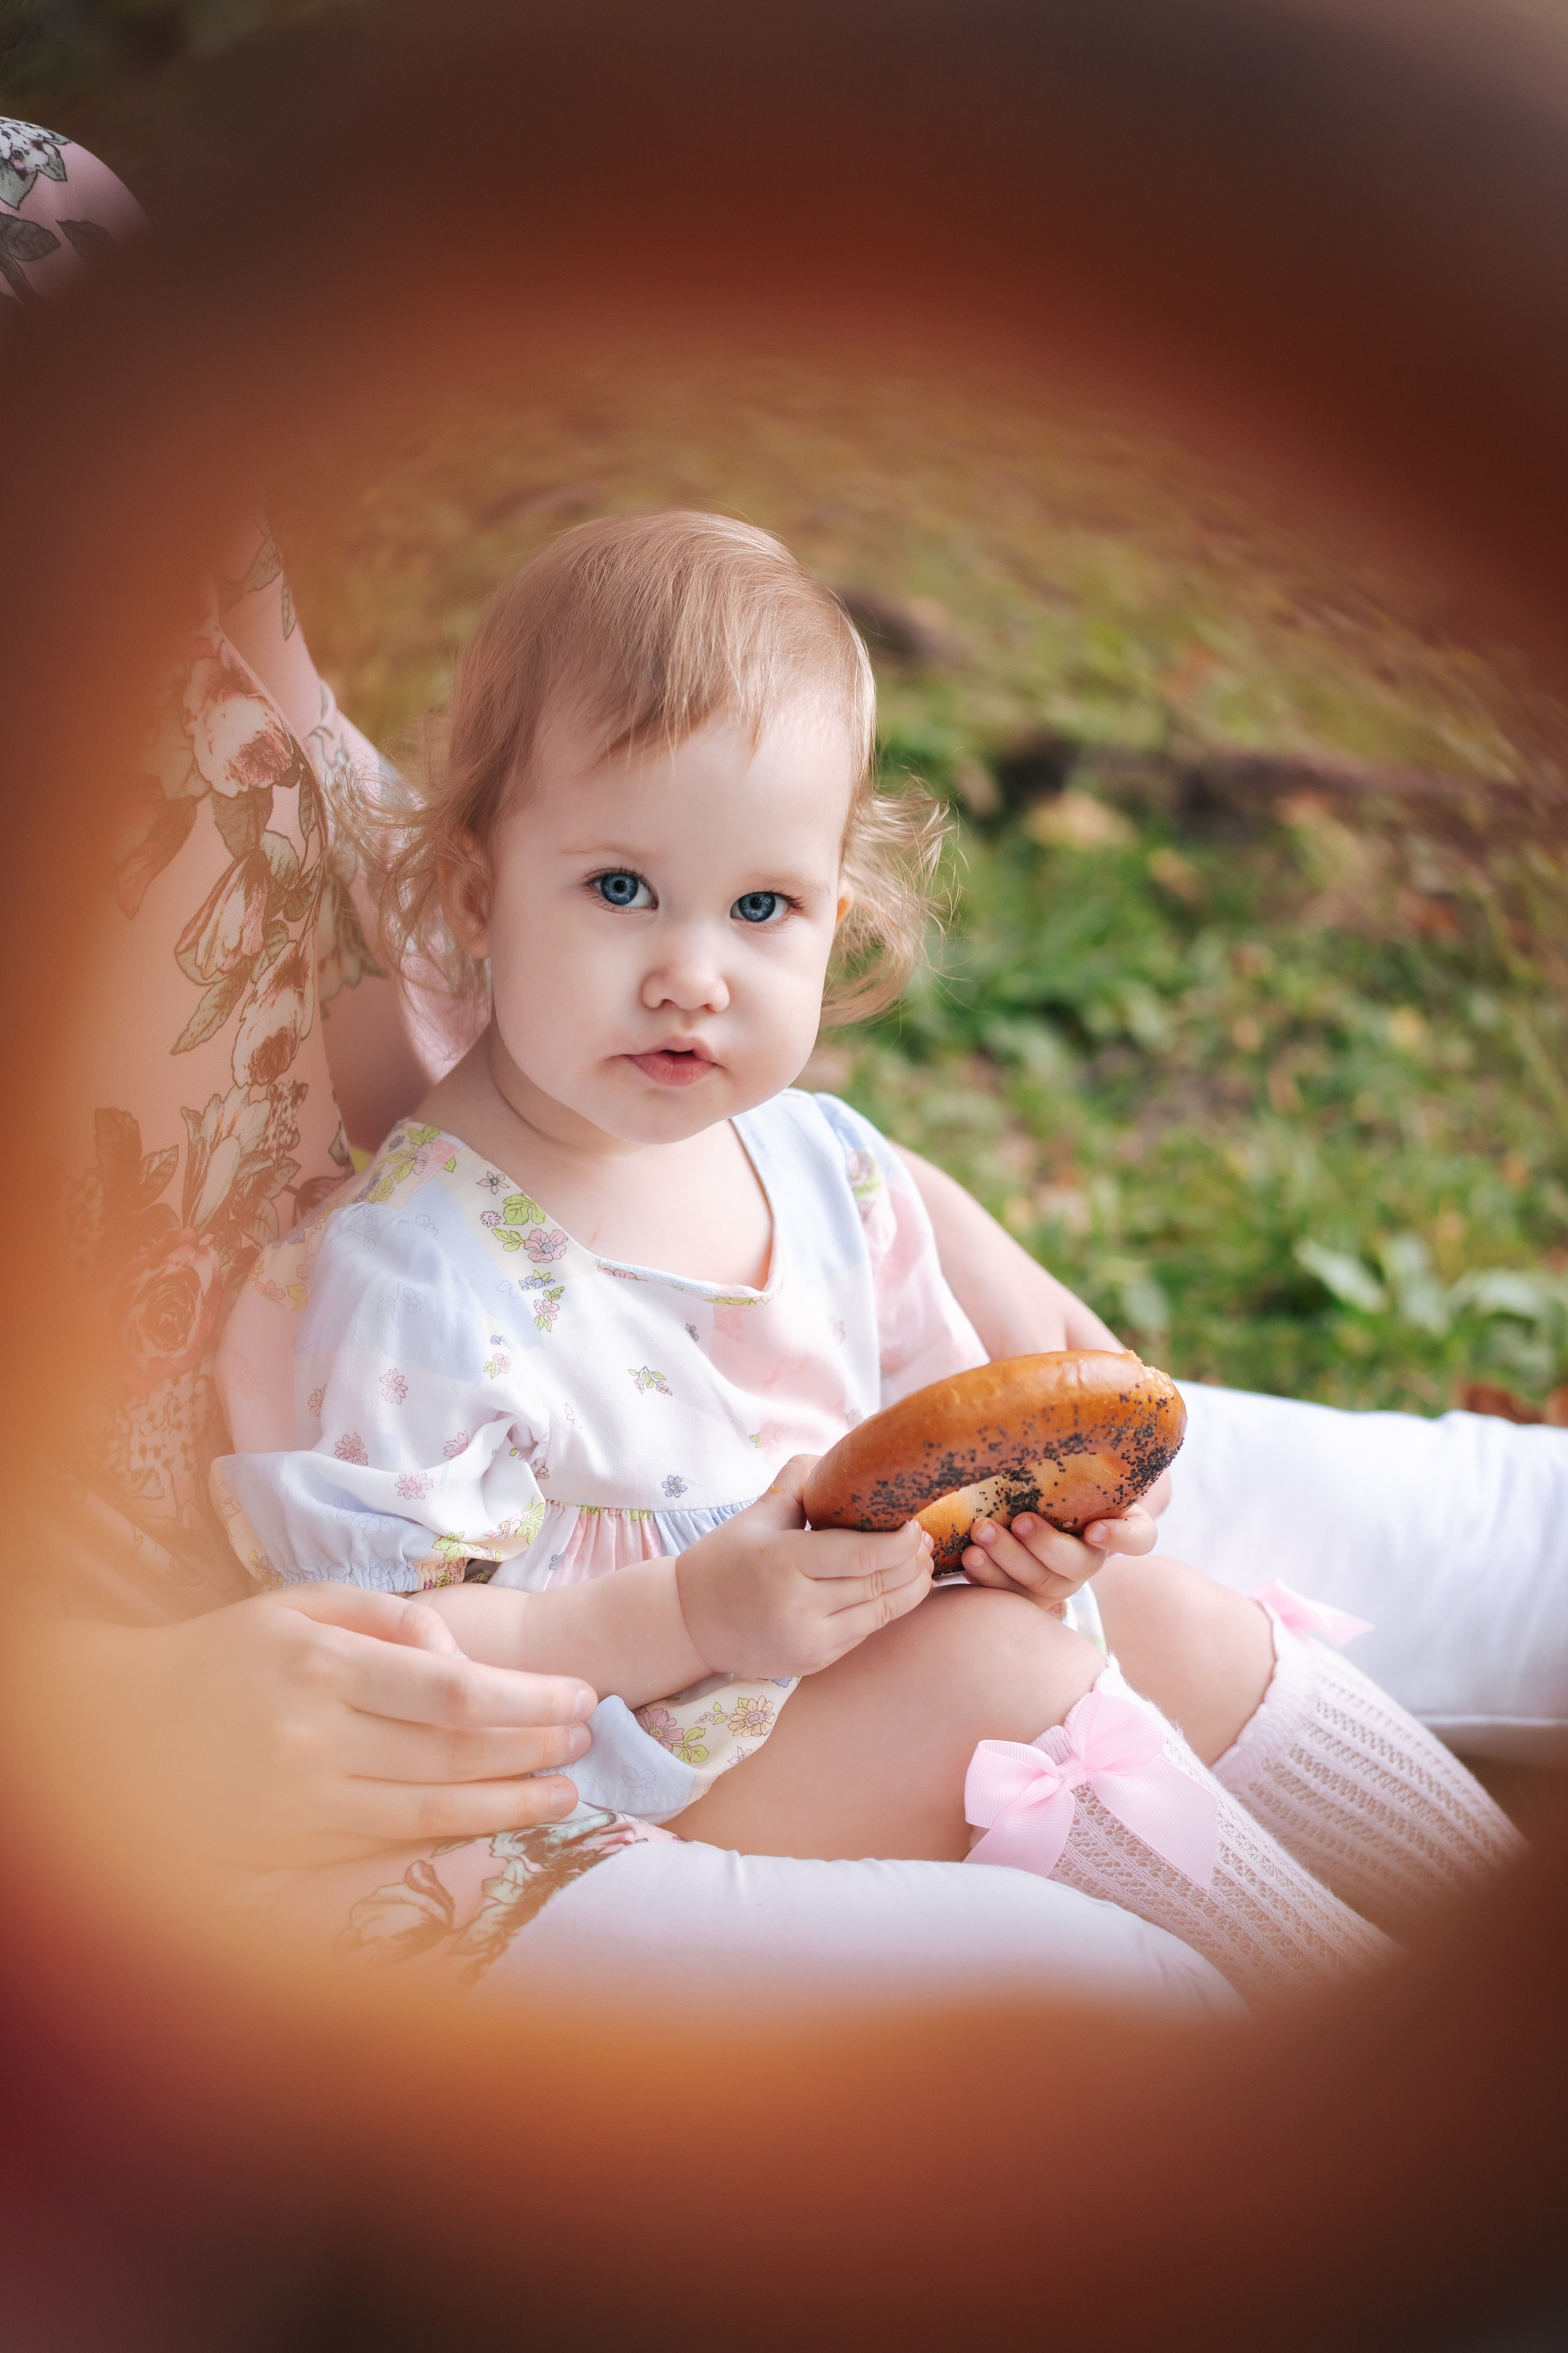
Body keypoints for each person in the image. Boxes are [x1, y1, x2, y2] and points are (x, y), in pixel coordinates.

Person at [211, 511, 1516, 2003]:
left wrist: (1040, 1538)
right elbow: (402, 1658)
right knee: (998, 1685)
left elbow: (952, 1441)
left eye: (760, 906)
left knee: (1163, 1619)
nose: (692, 972)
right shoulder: (423, 1277)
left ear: (839, 918)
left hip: (817, 1678)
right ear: (471, 894)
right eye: (619, 888)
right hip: (616, 1767)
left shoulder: (821, 1172)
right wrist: (691, 1611)